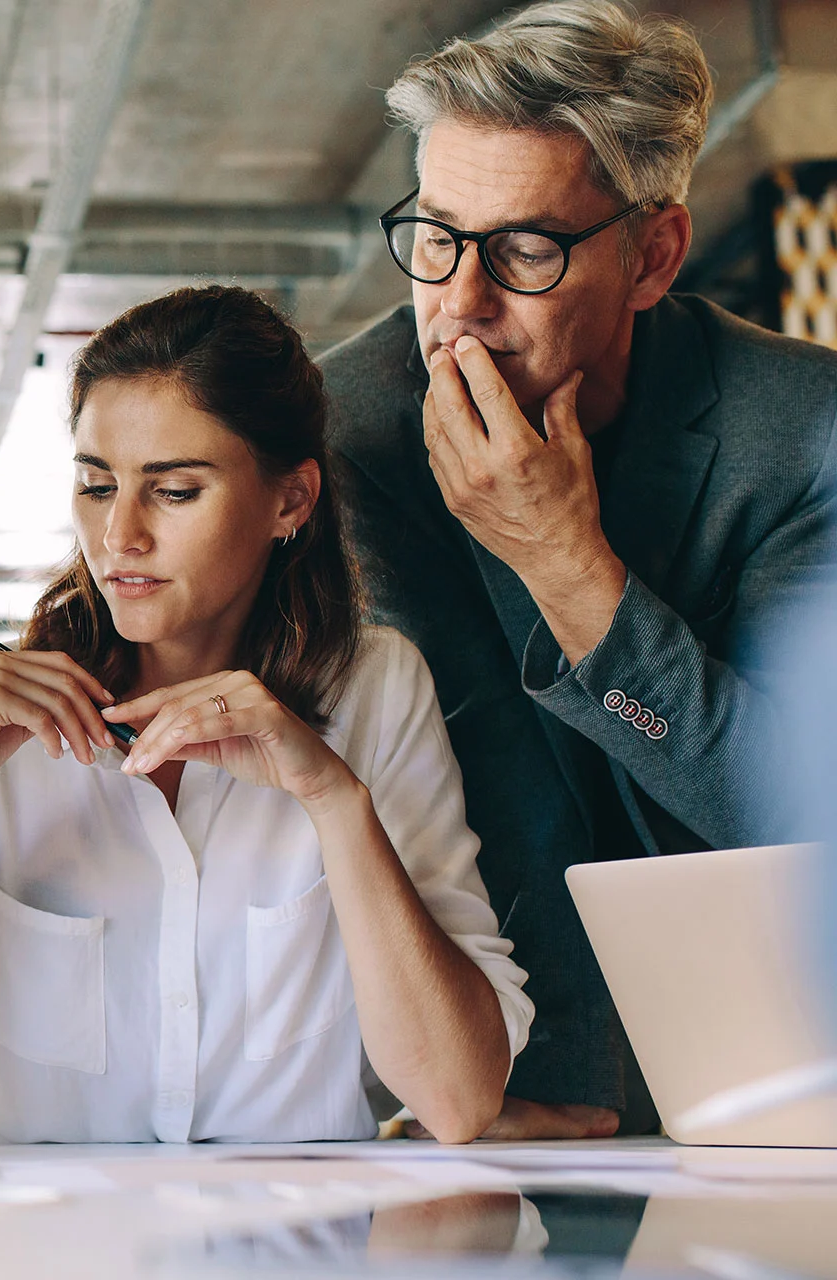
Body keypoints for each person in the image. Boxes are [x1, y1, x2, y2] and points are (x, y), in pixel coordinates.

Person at [0, 286, 532, 1144]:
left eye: (172, 491)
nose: (118, 535)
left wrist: (333, 800)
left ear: (290, 500)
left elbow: (459, 1100)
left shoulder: (378, 691)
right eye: (96, 485)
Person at [322, 0, 837, 1139]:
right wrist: (535, 1076)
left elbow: (795, 814)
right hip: (474, 1082)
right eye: (439, 234)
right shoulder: (342, 437)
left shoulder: (807, 430)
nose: (458, 304)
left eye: (524, 250)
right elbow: (458, 788)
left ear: (653, 255)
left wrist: (568, 569)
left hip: (778, 1063)